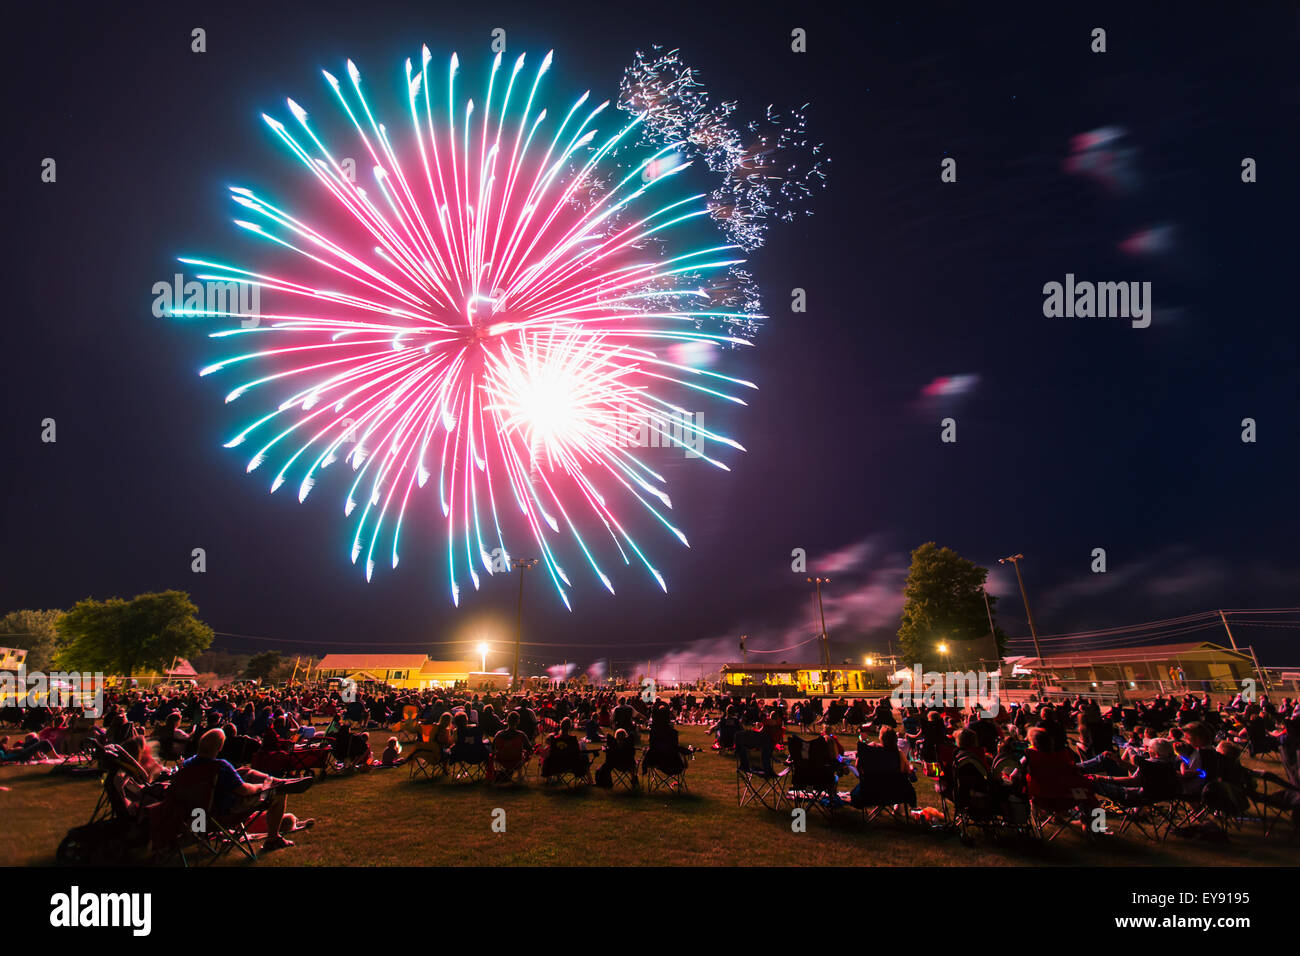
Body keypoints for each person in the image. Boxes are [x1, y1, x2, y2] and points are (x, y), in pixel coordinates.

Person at [178, 728, 313, 851]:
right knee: (278, 794)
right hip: (224, 812)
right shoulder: (219, 766)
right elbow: (243, 790)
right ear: (220, 747)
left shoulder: (187, 765)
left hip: (197, 813)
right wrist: (259, 787)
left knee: (245, 771)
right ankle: (273, 839)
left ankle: (280, 781)